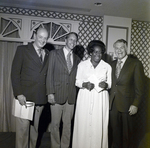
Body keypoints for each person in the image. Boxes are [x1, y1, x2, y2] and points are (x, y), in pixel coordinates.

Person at [11, 27, 49, 148]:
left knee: (35, 131)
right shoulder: (22, 50)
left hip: (40, 98)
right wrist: (19, 94)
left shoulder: (47, 53)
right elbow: (15, 73)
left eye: (45, 38)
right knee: (22, 131)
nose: (43, 40)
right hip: (25, 98)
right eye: (40, 37)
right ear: (34, 36)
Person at [72, 40, 112, 148]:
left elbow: (110, 84)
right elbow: (77, 81)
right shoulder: (82, 65)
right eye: (95, 52)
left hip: (100, 98)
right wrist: (84, 84)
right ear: (90, 52)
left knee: (97, 124)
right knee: (83, 123)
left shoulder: (107, 66)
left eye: (100, 52)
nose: (97, 54)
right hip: (85, 97)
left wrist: (106, 85)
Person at [46, 32, 80, 148]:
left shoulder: (77, 59)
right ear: (65, 40)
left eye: (75, 40)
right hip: (56, 95)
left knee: (67, 125)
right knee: (55, 124)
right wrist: (50, 92)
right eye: (71, 39)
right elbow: (49, 74)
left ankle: (65, 146)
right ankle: (55, 146)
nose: (73, 42)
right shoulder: (54, 54)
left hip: (70, 97)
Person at [109, 39, 145, 148]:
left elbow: (140, 87)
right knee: (114, 135)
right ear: (114, 50)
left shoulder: (135, 64)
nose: (119, 50)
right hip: (113, 105)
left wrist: (135, 104)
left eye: (121, 48)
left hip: (128, 105)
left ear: (126, 48)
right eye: (117, 48)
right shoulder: (111, 64)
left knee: (127, 136)